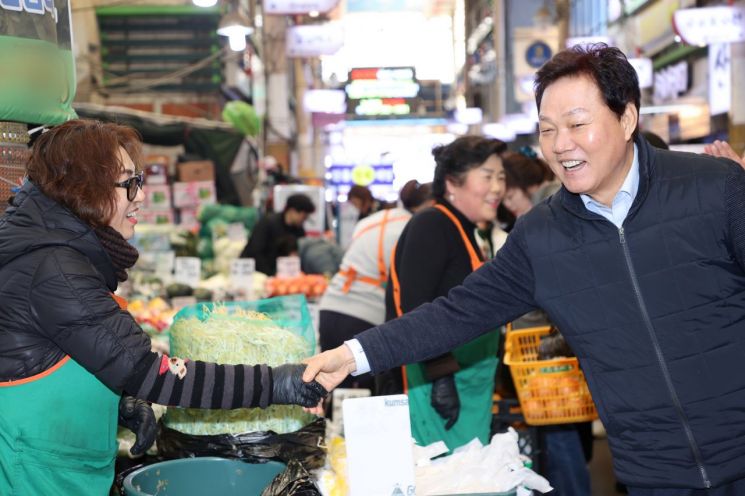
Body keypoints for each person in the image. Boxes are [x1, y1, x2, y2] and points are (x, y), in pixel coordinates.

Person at [303, 44, 745, 496]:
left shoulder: (714, 189)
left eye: (577, 124)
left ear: (627, 118)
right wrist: (351, 355)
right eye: (548, 129)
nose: (560, 145)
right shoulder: (541, 236)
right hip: (653, 473)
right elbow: (454, 313)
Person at [0, 120, 327, 495]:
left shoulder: (60, 255)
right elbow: (152, 373)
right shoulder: (56, 268)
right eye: (128, 184)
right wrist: (274, 383)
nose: (140, 196)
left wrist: (121, 402)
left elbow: (65, 352)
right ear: (81, 189)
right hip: (35, 471)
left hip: (57, 459)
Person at [384, 136, 507, 453]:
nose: (497, 188)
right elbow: (415, 309)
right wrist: (440, 376)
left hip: (468, 383)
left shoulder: (468, 229)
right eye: (487, 176)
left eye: (501, 177)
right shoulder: (433, 224)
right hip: (432, 384)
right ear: (453, 182)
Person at [318, 180, 434, 392]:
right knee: (363, 397)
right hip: (365, 316)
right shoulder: (415, 230)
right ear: (430, 204)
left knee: (331, 388)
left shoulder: (371, 220)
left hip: (330, 307)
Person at [240, 193, 316, 275]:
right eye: (304, 217)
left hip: (278, 275)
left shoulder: (299, 231)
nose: (304, 220)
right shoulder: (268, 223)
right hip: (251, 272)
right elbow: (255, 251)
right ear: (292, 211)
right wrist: (269, 274)